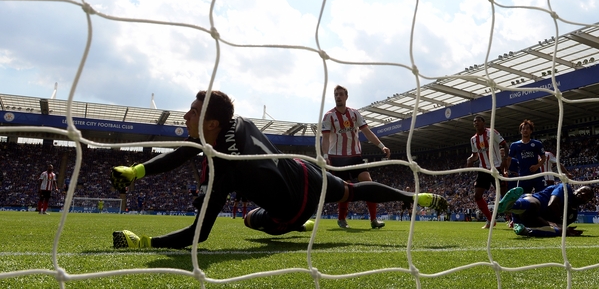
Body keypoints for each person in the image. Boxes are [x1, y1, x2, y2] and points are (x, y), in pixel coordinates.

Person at [110, 90, 447, 249]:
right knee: (354, 190)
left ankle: (304, 223)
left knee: (248, 220)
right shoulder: (237, 122)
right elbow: (188, 150)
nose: (186, 116)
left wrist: (146, 242)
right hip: (303, 172)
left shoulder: (224, 171)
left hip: (292, 210)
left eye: (192, 111)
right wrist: (137, 171)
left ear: (211, 123)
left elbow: (198, 234)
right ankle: (420, 197)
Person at [321, 85, 390, 229]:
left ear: (346, 97)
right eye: (336, 94)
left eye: (341, 94)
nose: (338, 97)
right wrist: (325, 156)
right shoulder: (329, 116)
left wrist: (381, 146)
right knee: (345, 189)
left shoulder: (355, 113)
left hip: (355, 156)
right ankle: (341, 219)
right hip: (338, 158)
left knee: (369, 185)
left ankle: (373, 220)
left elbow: (367, 132)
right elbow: (325, 138)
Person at [497, 183, 595, 237]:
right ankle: (510, 206)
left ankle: (525, 230)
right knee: (534, 205)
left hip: (534, 220)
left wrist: (562, 228)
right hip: (531, 204)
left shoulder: (573, 215)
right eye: (581, 191)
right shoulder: (566, 188)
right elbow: (552, 204)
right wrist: (558, 223)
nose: (582, 194)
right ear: (576, 189)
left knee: (561, 231)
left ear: (588, 201)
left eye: (587, 195)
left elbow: (557, 224)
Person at [466, 115, 510, 229]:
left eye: (478, 121)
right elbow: (475, 155)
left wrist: (504, 160)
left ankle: (512, 220)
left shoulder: (492, 132)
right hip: (483, 169)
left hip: (496, 168)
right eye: (474, 121)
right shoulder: (473, 139)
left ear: (484, 123)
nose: (476, 123)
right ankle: (490, 220)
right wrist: (470, 159)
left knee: (505, 195)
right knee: (477, 195)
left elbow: (505, 145)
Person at [507, 120, 545, 193]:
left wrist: (537, 166)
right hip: (523, 176)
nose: (525, 130)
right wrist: (506, 170)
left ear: (531, 131)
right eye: (523, 129)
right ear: (520, 131)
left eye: (527, 128)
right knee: (524, 198)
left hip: (537, 175)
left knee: (542, 195)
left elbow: (543, 158)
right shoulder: (514, 145)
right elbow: (509, 159)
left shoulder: (537, 144)